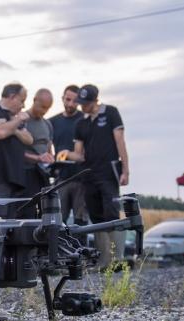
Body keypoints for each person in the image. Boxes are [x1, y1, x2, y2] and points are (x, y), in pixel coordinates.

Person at [57, 84, 130, 270]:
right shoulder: (81, 123)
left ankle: (117, 260)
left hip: (108, 172)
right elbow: (79, 154)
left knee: (111, 213)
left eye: (85, 103)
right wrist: (66, 154)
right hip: (89, 175)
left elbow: (120, 141)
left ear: (95, 100)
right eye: (81, 103)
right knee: (96, 216)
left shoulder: (111, 112)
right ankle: (103, 261)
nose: (82, 107)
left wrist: (125, 170)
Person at [49, 85, 88, 226]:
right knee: (58, 222)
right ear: (62, 98)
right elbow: (47, 149)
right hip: (61, 180)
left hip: (82, 179)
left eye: (75, 101)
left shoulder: (85, 120)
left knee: (80, 223)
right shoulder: (52, 122)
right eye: (68, 99)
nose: (71, 104)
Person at [19, 88, 56, 217]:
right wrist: (38, 158)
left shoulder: (47, 124)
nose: (44, 111)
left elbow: (49, 149)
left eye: (48, 108)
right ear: (35, 100)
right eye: (42, 107)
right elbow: (16, 152)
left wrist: (51, 159)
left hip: (43, 175)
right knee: (27, 213)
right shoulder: (21, 120)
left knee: (46, 212)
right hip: (25, 175)